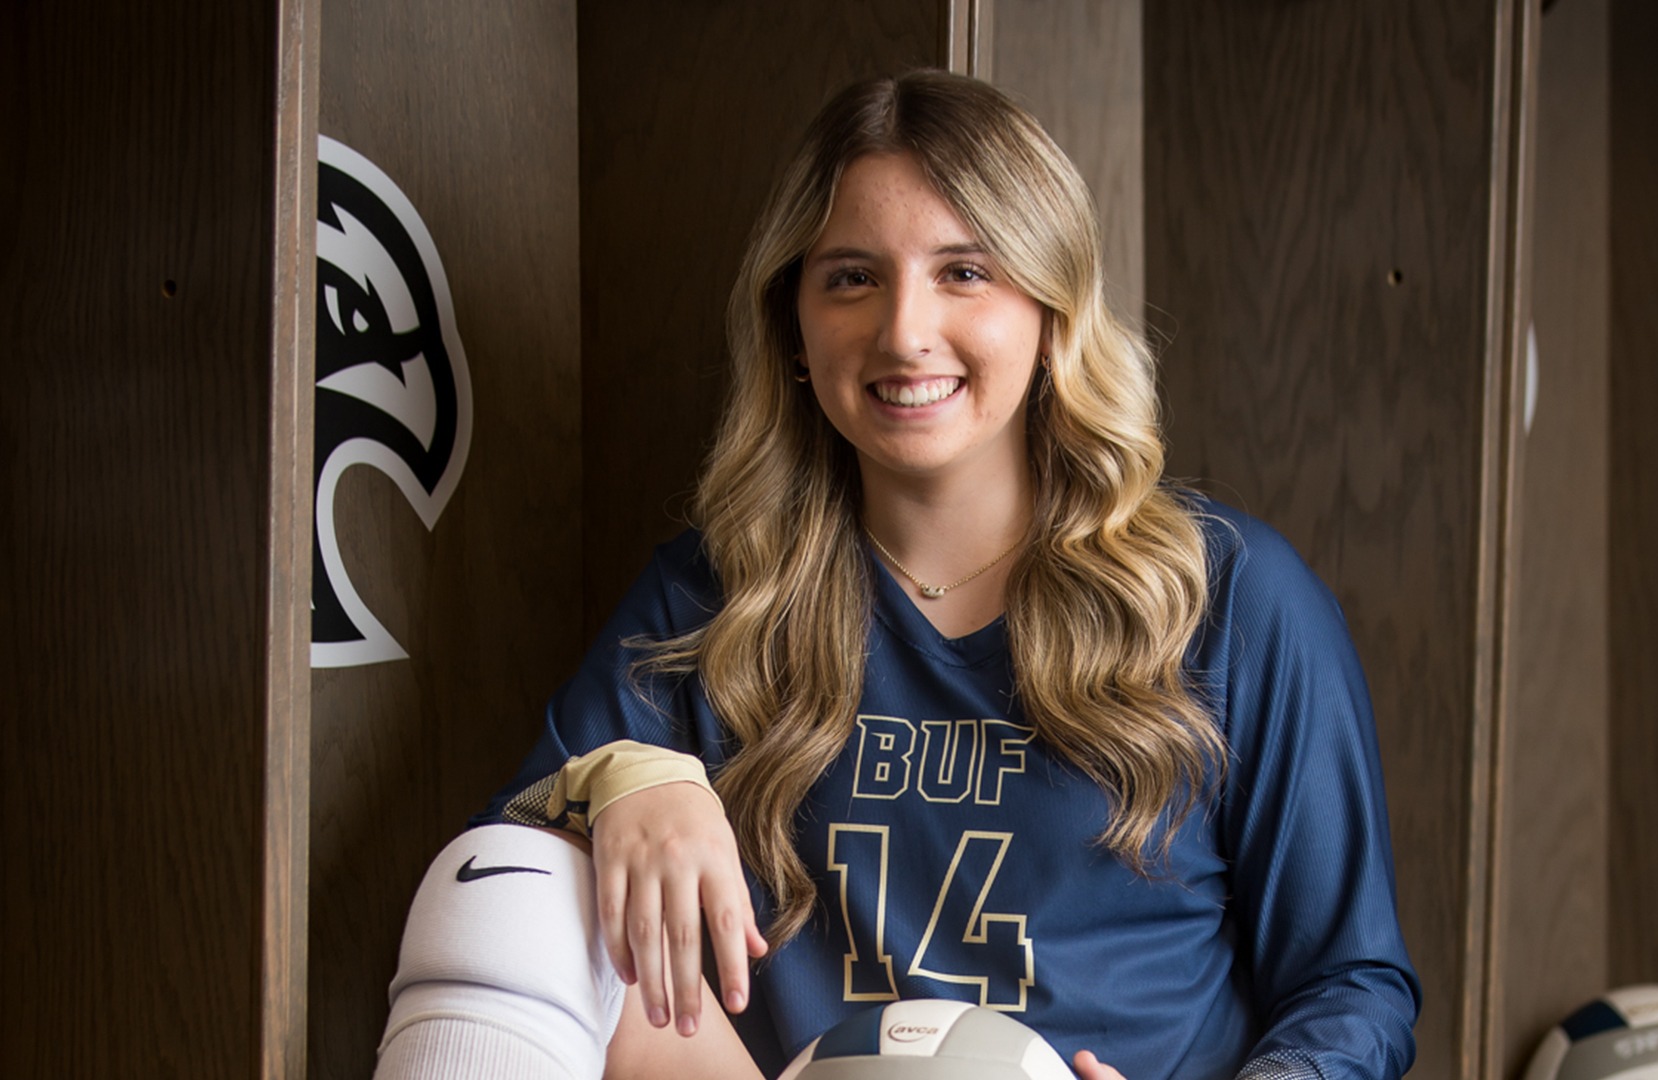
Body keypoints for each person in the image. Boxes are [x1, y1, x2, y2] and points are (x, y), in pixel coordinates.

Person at [375, 70, 1418, 1080]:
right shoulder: (723, 590)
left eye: (966, 272)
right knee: (524, 879)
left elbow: (1352, 985)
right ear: (795, 320)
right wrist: (623, 781)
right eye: (852, 278)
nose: (905, 332)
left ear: (1051, 311)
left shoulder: (1225, 595)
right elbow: (501, 900)